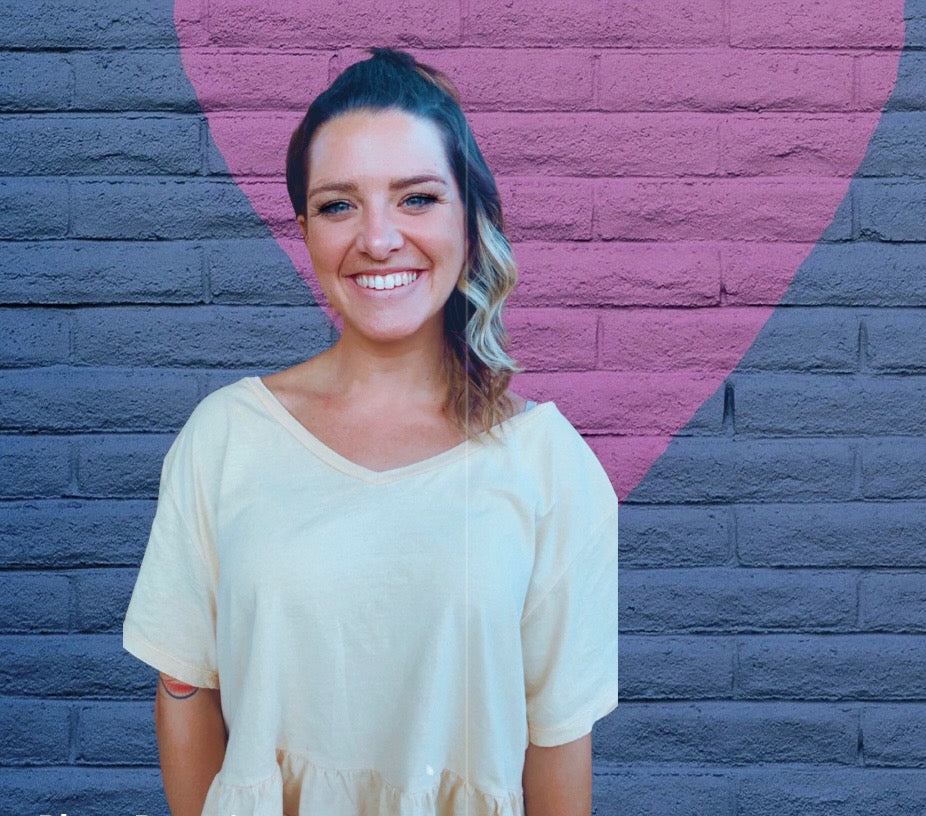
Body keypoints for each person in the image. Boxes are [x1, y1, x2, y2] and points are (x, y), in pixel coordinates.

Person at [122, 47, 619, 816]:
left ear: (468, 218)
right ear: (305, 230)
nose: (378, 238)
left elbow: (557, 744)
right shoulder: (226, 438)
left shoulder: (548, 466)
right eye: (338, 205)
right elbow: (184, 689)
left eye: (416, 198)